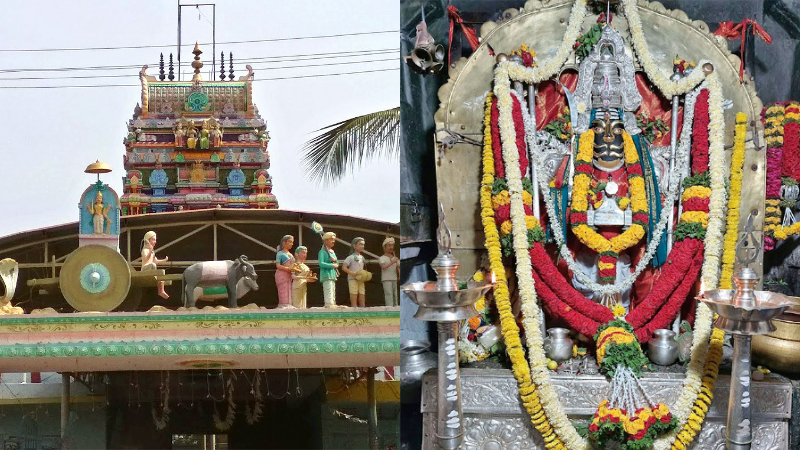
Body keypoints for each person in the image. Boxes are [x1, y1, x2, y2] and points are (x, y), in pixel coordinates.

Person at [141, 231, 169, 299]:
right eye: (153, 239)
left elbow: (155, 261)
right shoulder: (145, 250)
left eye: (155, 240)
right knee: (152, 265)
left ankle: (161, 290)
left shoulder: (152, 252)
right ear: (148, 240)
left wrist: (164, 260)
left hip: (152, 267)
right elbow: (146, 258)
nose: (155, 241)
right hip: (145, 269)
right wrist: (150, 251)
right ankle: (154, 276)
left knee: (161, 273)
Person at [342, 237, 367, 308]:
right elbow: (344, 267)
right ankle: (354, 306)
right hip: (353, 278)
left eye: (363, 244)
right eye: (360, 244)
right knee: (354, 292)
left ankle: (362, 306)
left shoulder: (362, 257)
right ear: (354, 245)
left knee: (362, 292)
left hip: (360, 279)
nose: (362, 246)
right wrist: (352, 273)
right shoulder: (350, 257)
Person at [275, 235, 297, 308]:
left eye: (292, 242)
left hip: (289, 275)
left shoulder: (290, 254)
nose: (292, 244)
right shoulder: (280, 253)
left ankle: (289, 304)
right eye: (290, 242)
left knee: (289, 289)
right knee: (283, 290)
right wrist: (289, 269)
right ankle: (284, 304)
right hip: (282, 274)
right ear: (284, 243)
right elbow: (278, 265)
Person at [318, 232, 339, 307]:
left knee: (333, 290)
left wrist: (335, 261)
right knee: (328, 290)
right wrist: (332, 265)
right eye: (331, 239)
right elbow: (321, 264)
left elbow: (337, 263)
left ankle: (332, 303)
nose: (333, 241)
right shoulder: (322, 252)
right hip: (326, 274)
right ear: (326, 240)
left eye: (334, 239)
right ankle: (329, 304)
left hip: (332, 274)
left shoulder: (332, 252)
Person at [378, 237, 399, 307]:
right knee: (389, 294)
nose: (391, 247)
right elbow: (383, 267)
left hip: (394, 278)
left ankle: (396, 307)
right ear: (384, 247)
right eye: (389, 245)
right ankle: (389, 307)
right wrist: (392, 262)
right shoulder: (382, 258)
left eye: (392, 245)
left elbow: (397, 268)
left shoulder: (394, 257)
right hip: (386, 279)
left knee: (395, 294)